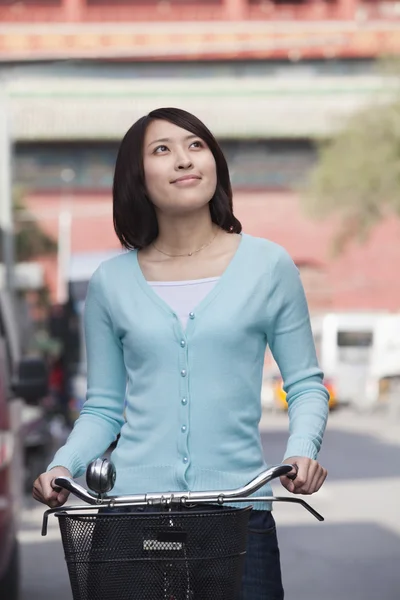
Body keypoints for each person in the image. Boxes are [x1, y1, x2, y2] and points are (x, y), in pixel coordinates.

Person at [33, 107, 329, 599]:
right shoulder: (111, 283)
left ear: (215, 163)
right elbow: (104, 407)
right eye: (162, 150)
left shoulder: (268, 266)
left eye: (196, 145)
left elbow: (303, 384)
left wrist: (302, 451)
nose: (183, 160)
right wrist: (64, 465)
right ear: (137, 176)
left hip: (238, 515)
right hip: (130, 517)